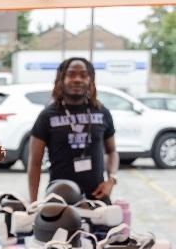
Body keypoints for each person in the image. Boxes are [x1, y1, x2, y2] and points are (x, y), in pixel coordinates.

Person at [28, 57, 119, 203]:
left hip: (97, 198)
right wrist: (32, 203)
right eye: (71, 74)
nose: (77, 79)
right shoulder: (47, 115)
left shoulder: (102, 113)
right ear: (61, 79)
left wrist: (111, 179)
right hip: (59, 198)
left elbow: (112, 151)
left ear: (90, 80)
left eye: (83, 75)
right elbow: (35, 163)